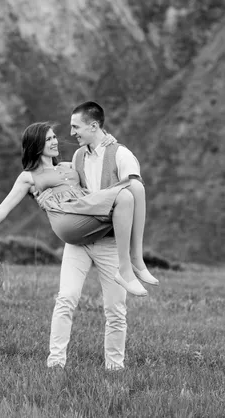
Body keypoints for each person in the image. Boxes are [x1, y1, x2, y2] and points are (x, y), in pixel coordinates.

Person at [0, 121, 154, 297]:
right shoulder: (29, 176)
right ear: (36, 145)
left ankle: (135, 260)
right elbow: (1, 211)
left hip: (89, 212)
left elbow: (96, 160)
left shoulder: (70, 166)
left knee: (133, 188)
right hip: (71, 219)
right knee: (126, 194)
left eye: (54, 137)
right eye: (48, 139)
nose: (55, 142)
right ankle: (128, 265)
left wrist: (107, 141)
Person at [44, 101, 158, 371]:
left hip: (109, 243)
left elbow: (132, 193)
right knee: (66, 298)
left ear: (94, 126)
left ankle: (115, 368)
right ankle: (55, 363)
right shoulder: (79, 157)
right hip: (80, 242)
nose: (72, 133)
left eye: (76, 126)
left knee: (116, 311)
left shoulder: (122, 155)